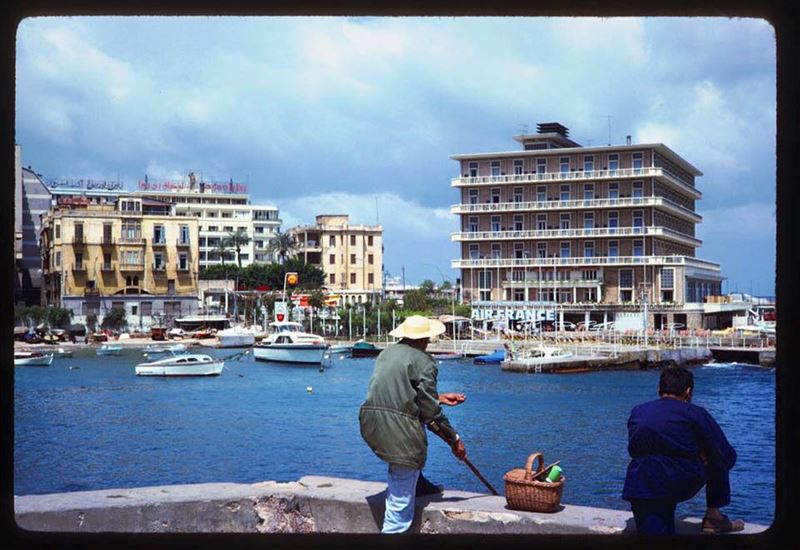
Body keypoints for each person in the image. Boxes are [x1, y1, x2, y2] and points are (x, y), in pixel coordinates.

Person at [359, 315, 467, 534]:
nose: (429, 341)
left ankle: (417, 483)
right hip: (396, 427)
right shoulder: (424, 361)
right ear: (423, 338)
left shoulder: (385, 354)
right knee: (399, 505)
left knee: (410, 448)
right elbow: (430, 413)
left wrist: (440, 397)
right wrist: (454, 439)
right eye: (428, 337)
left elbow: (402, 392)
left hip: (370, 422)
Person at [622, 366, 745, 535]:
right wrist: (701, 455)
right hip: (678, 481)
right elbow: (726, 455)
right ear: (688, 392)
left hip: (641, 485)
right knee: (718, 455)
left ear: (659, 390)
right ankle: (713, 517)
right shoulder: (694, 413)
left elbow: (635, 449)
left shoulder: (638, 411)